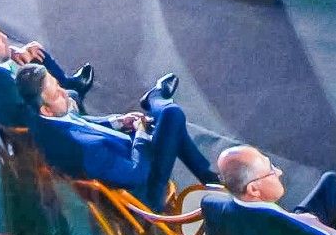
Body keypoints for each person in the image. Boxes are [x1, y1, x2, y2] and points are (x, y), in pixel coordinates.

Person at [16, 63, 215, 209]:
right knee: (172, 115)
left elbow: (81, 124)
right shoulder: (86, 148)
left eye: (58, 84)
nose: (66, 93)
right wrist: (141, 134)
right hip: (145, 191)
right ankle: (156, 97)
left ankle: (209, 178)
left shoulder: (38, 118)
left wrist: (120, 121)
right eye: (57, 94)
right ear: (46, 110)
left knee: (171, 123)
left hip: (121, 159)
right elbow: (138, 173)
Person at [203, 143, 336, 235]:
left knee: (330, 181)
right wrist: (322, 228)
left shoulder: (212, 205)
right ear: (254, 189)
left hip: (287, 227)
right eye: (271, 170)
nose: (279, 172)